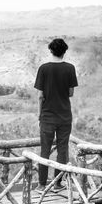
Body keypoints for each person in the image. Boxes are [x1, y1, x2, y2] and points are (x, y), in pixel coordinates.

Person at [34, 38, 78, 192]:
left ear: (50, 50)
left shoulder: (44, 69)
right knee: (62, 150)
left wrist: (40, 114)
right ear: (64, 52)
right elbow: (70, 92)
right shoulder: (70, 68)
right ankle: (58, 184)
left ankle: (41, 185)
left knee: (44, 150)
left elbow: (40, 95)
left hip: (47, 116)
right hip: (65, 116)